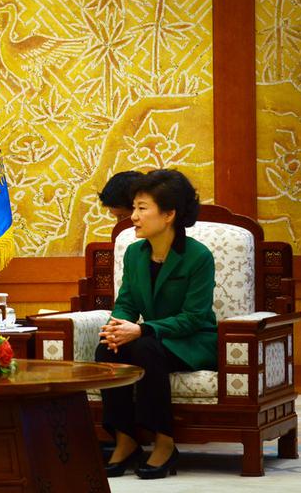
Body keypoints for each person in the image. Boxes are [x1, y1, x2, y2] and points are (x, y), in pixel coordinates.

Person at [95, 169, 216, 480]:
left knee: (146, 347)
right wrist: (115, 327)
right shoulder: (135, 254)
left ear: (169, 214)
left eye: (142, 208)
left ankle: (164, 441)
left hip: (193, 342)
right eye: (133, 207)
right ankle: (125, 438)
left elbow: (195, 317)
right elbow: (126, 302)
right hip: (153, 339)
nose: (133, 216)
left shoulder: (198, 256)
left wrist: (143, 329)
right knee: (108, 350)